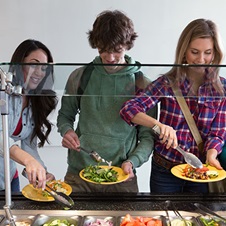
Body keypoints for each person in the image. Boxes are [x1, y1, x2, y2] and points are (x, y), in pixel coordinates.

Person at [120, 18, 226, 193]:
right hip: (165, 172)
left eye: (208, 52)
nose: (201, 59)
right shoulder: (167, 83)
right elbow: (129, 109)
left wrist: (211, 154)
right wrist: (158, 125)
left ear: (215, 53)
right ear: (184, 52)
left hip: (200, 172)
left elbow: (218, 133)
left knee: (194, 219)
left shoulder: (221, 88)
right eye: (194, 52)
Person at [57, 10, 157, 192]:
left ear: (128, 45)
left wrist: (132, 162)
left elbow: (147, 136)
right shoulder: (80, 76)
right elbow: (65, 115)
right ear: (95, 44)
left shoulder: (143, 85)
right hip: (79, 175)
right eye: (103, 50)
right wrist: (67, 131)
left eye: (117, 50)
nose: (110, 58)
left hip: (122, 176)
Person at [0, 39, 58, 191]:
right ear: (20, 64)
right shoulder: (2, 92)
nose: (39, 72)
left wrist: (42, 172)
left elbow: (28, 144)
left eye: (44, 68)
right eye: (33, 64)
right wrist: (28, 161)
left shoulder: (35, 101)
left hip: (8, 178)